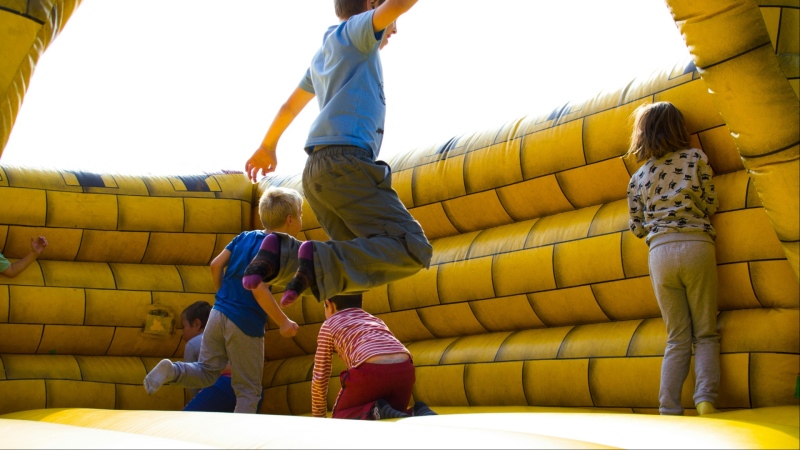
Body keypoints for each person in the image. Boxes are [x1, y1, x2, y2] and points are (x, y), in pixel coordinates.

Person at [241, 0, 432, 308]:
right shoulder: (356, 31)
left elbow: (290, 105)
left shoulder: (324, 54)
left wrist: (267, 145)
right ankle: (314, 258)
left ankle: (283, 255)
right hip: (346, 164)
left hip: (317, 172)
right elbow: (399, 4)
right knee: (411, 248)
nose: (394, 28)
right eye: (391, 21)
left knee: (349, 266)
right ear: (371, 5)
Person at [143, 187, 303, 413]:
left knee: (207, 371)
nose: (301, 219)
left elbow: (215, 265)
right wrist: (283, 321)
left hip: (218, 313)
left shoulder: (244, 237)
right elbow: (258, 287)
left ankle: (173, 370)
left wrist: (222, 297)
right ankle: (239, 442)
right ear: (290, 219)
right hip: (245, 321)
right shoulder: (278, 248)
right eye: (301, 214)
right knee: (248, 390)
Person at [626, 101, 721, 416]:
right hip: (696, 244)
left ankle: (669, 407)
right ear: (680, 129)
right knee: (705, 331)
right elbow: (710, 202)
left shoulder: (638, 177)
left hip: (661, 253)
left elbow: (637, 227)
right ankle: (705, 399)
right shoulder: (696, 158)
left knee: (677, 336)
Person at [311, 293, 436, 419]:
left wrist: (319, 417)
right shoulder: (374, 320)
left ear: (329, 305)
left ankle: (374, 411)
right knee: (393, 413)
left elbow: (320, 375)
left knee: (341, 419)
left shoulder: (329, 325)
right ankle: (417, 411)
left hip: (370, 370)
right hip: (404, 370)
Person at [179, 300, 241, 413]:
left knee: (186, 419)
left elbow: (192, 380)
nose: (182, 333)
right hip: (248, 388)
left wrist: (198, 398)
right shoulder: (226, 336)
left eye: (183, 327)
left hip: (223, 384)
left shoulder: (192, 344)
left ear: (197, 324)